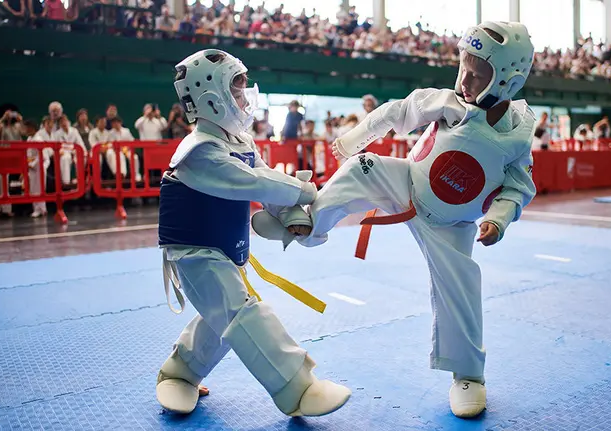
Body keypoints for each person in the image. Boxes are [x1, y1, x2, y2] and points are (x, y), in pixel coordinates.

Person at [253, 21, 537, 418]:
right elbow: (395, 112)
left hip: (451, 224)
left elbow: (519, 187)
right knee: (363, 167)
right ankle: (304, 225)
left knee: (462, 287)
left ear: (507, 80)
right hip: (407, 181)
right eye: (463, 68)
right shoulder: (446, 102)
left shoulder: (518, 134)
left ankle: (468, 375)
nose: (465, 80)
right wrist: (352, 142)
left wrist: (500, 219)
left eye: (478, 74)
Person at [154, 49, 351, 417]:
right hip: (194, 253)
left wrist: (295, 219)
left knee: (222, 320)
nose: (245, 98)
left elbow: (263, 183)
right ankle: (298, 389)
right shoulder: (199, 152)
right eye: (238, 89)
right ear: (212, 98)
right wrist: (303, 190)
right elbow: (252, 181)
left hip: (222, 247)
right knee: (242, 314)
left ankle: (180, 373)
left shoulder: (240, 142)